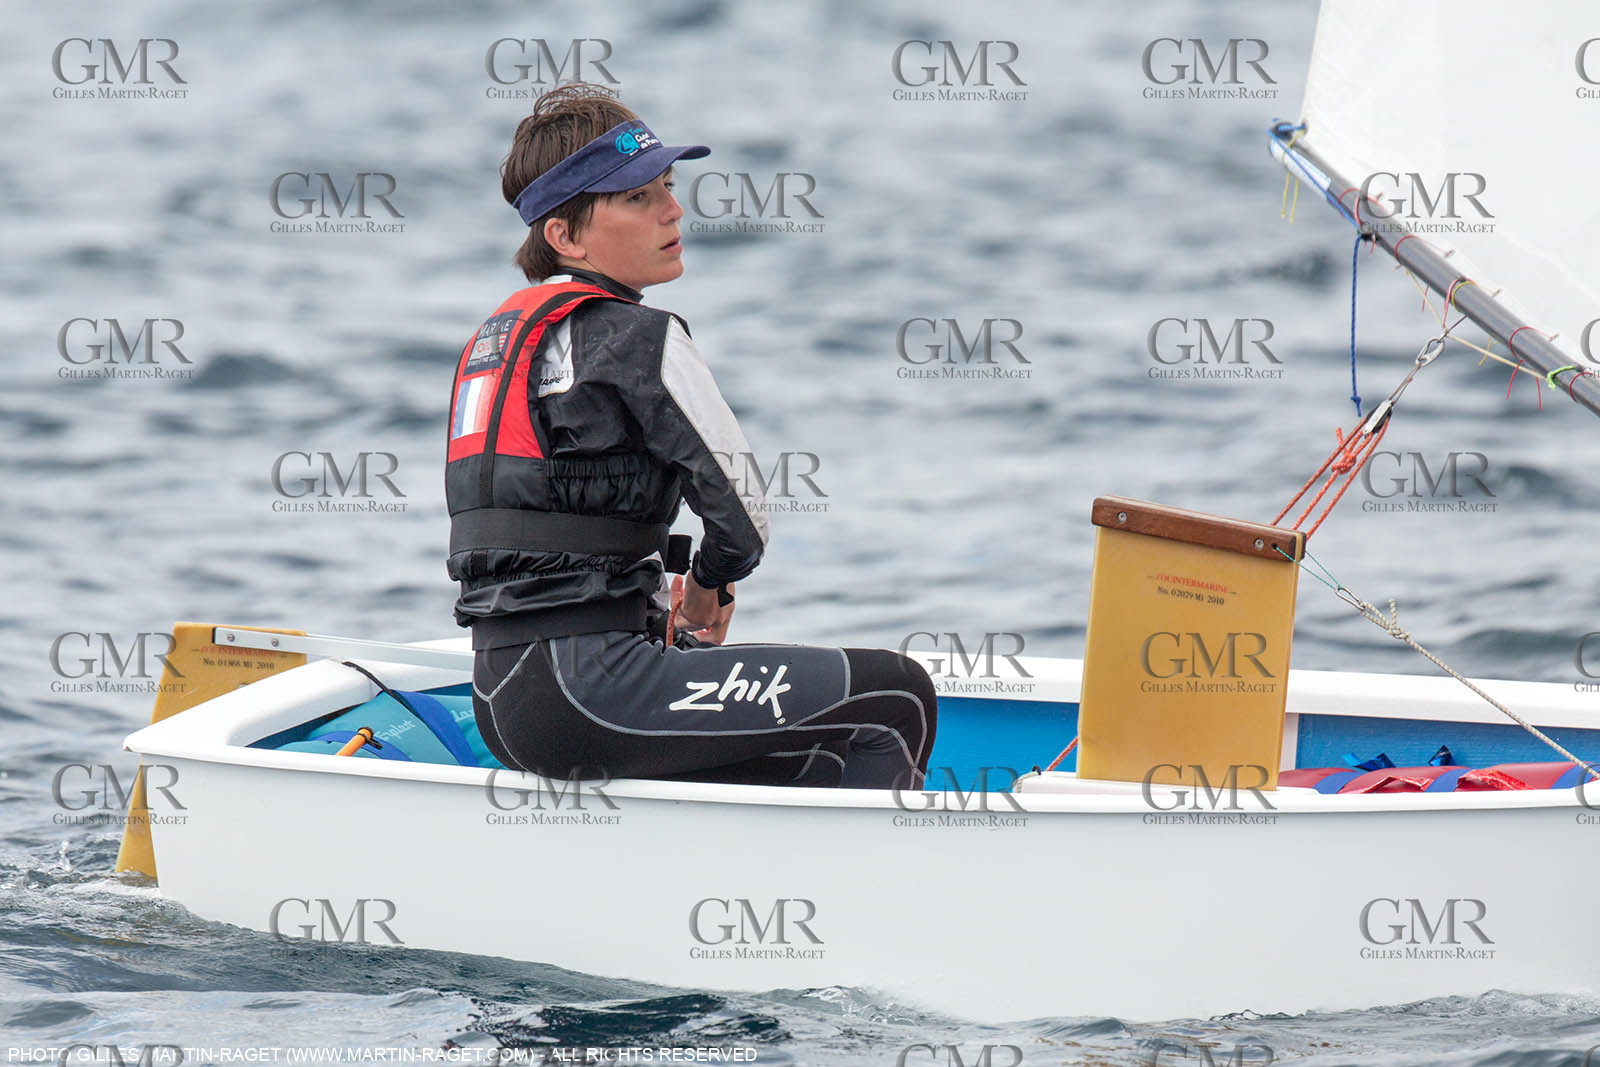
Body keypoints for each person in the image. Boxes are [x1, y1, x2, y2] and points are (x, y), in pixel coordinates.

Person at [447, 85, 936, 789]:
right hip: (592, 692)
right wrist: (706, 587)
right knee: (896, 696)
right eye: (638, 198)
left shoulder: (495, 345)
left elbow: (544, 538)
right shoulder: (643, 339)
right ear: (566, 236)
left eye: (668, 186)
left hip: (502, 695)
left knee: (818, 759)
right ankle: (896, 892)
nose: (674, 210)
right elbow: (745, 518)